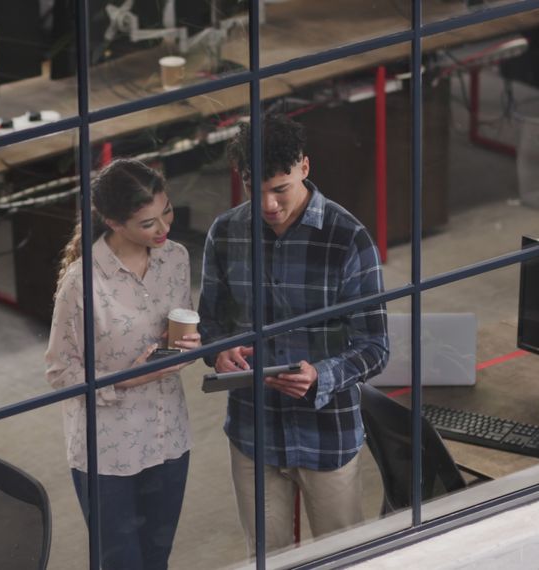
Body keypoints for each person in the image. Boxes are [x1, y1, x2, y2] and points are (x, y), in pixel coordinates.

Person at [197, 113, 390, 554]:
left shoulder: (348, 240)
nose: (267, 204)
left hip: (326, 432)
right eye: (254, 188)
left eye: (279, 189)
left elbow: (376, 347)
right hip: (253, 431)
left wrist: (322, 375)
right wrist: (219, 351)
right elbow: (210, 321)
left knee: (344, 558)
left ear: (304, 167)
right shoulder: (225, 234)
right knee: (265, 560)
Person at [45, 158, 201, 570]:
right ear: (114, 222)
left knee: (157, 560)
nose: (164, 228)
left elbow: (178, 326)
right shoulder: (82, 282)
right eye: (148, 223)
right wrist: (128, 379)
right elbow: (59, 373)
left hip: (168, 436)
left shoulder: (176, 259)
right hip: (107, 449)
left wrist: (187, 347)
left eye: (166, 211)